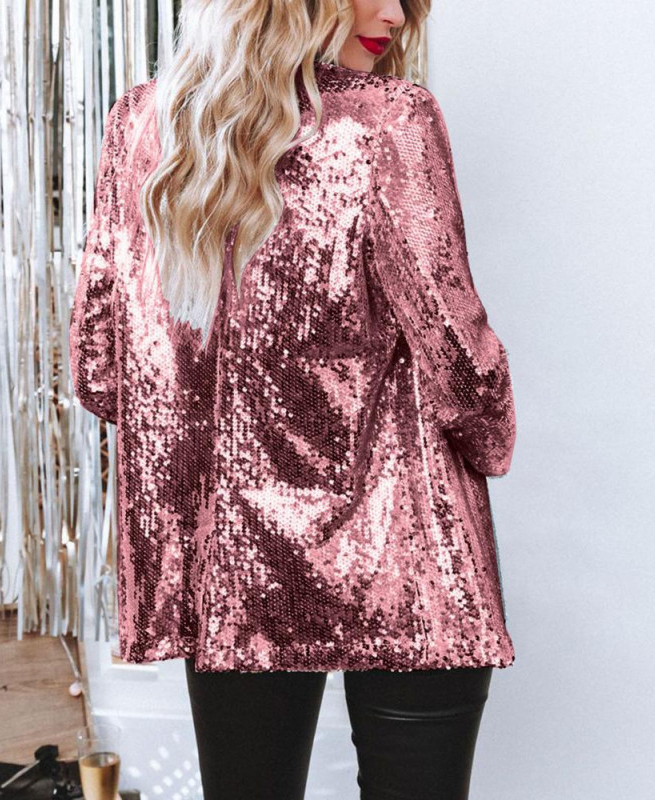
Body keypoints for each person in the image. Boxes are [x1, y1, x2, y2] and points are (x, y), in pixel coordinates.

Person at [69, 0, 518, 798]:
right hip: (411, 547)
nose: (394, 13)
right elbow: (455, 347)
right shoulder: (390, 121)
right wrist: (493, 437)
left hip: (235, 564)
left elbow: (100, 370)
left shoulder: (143, 124)